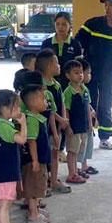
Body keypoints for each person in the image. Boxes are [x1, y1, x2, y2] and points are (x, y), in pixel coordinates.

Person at [75, 0, 112, 150]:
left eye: (111, 5)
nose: (107, 8)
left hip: (110, 72)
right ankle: (86, 136)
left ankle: (105, 138)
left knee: (106, 102)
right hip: (90, 72)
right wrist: (79, 65)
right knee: (89, 101)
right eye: (106, 5)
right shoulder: (92, 24)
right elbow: (78, 42)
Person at [0, 89, 28, 223]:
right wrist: (23, 124)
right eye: (16, 106)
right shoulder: (4, 125)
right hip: (6, 173)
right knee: (4, 206)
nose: (19, 110)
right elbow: (22, 139)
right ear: (5, 108)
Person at [35, 50, 70, 194]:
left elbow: (61, 103)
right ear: (49, 65)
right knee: (44, 156)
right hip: (45, 127)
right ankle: (43, 184)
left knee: (55, 153)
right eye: (57, 63)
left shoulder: (56, 84)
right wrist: (60, 119)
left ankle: (54, 180)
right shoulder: (41, 86)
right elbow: (48, 110)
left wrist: (63, 119)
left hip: (57, 126)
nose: (59, 66)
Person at [63, 59, 99, 185]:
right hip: (74, 127)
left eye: (81, 72)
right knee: (72, 151)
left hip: (83, 126)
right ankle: (71, 174)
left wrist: (90, 124)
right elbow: (66, 110)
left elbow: (87, 108)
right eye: (76, 73)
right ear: (68, 75)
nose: (80, 75)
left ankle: (76, 171)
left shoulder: (85, 90)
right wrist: (68, 127)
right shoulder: (68, 92)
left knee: (80, 149)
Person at [20, 84, 51, 223]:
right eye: (43, 98)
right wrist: (35, 160)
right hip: (35, 160)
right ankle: (33, 214)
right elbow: (31, 141)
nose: (46, 101)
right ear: (32, 102)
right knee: (33, 187)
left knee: (39, 186)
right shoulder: (32, 119)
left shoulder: (38, 118)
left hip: (41, 159)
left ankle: (36, 209)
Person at [42, 12, 83, 88]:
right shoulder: (46, 43)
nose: (60, 27)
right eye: (57, 24)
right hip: (50, 83)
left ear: (70, 25)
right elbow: (41, 66)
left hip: (70, 84)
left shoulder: (75, 44)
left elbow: (79, 66)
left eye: (64, 24)